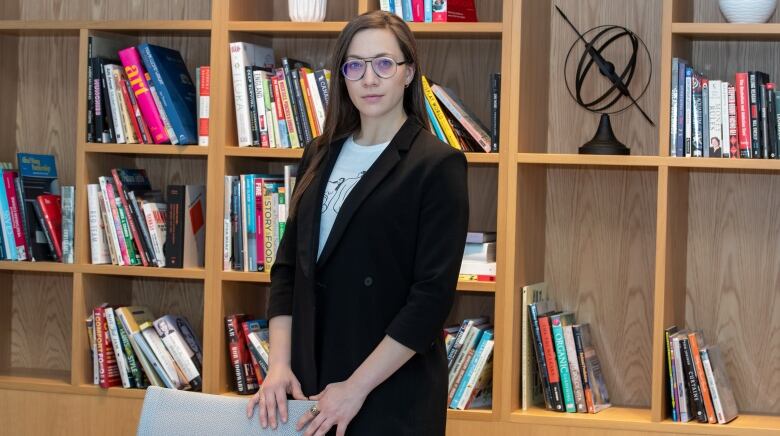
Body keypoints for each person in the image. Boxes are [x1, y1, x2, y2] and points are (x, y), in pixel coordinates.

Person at [245, 10, 470, 436]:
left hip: (390, 391)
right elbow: (288, 270)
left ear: (408, 74)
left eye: (384, 63)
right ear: (343, 76)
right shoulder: (318, 153)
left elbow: (430, 300)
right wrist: (277, 367)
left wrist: (355, 388)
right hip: (310, 385)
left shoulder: (438, 165)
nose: (370, 78)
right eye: (355, 65)